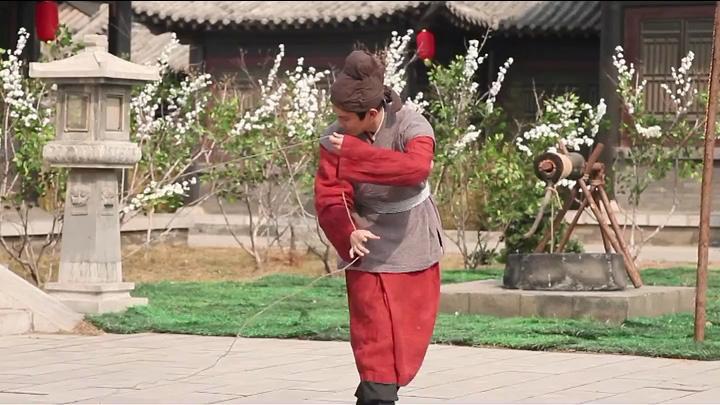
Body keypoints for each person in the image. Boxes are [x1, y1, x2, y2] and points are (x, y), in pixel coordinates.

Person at [313, 49, 445, 405]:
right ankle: (376, 394)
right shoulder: (335, 137)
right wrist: (347, 231)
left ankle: (379, 391)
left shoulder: (412, 125)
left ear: (371, 113)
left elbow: (416, 169)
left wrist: (354, 154)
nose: (339, 124)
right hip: (366, 242)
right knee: (372, 335)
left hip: (413, 237)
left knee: (408, 334)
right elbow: (330, 195)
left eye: (346, 118)